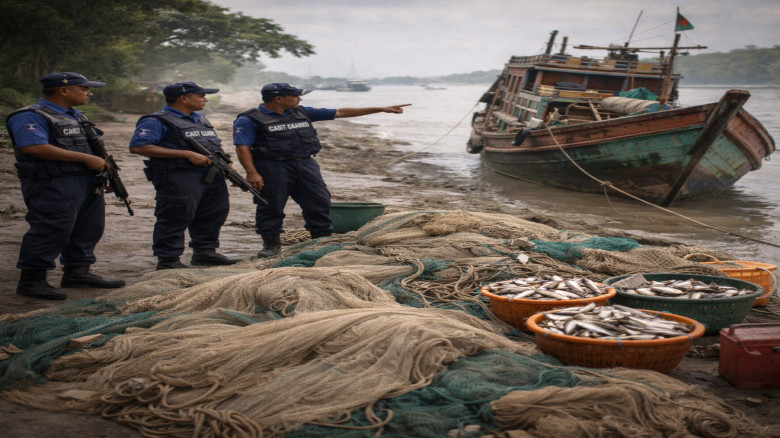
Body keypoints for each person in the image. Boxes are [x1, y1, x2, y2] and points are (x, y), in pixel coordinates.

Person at [233, 82, 410, 257]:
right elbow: (242, 147)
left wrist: (381, 109)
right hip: (273, 167)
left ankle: (321, 241)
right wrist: (251, 173)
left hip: (305, 164)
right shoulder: (249, 119)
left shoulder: (302, 112)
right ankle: (271, 245)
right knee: (271, 205)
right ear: (279, 99)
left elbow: (340, 112)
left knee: (319, 202)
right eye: (295, 96)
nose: (300, 99)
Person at [5, 72, 126, 300]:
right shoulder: (31, 116)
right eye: (84, 89)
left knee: (89, 227)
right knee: (52, 228)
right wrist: (86, 159)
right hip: (53, 182)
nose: (89, 93)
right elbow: (33, 147)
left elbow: (92, 148)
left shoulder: (77, 116)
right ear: (64, 90)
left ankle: (78, 272)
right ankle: (32, 280)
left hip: (87, 182)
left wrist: (106, 172)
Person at [129, 81, 240, 270]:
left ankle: (205, 252)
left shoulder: (200, 119)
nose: (205, 99)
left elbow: (212, 145)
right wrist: (186, 154)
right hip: (179, 175)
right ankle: (168, 259)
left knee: (214, 212)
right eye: (201, 96)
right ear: (183, 98)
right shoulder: (156, 120)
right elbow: (139, 147)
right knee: (176, 215)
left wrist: (226, 164)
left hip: (211, 175)